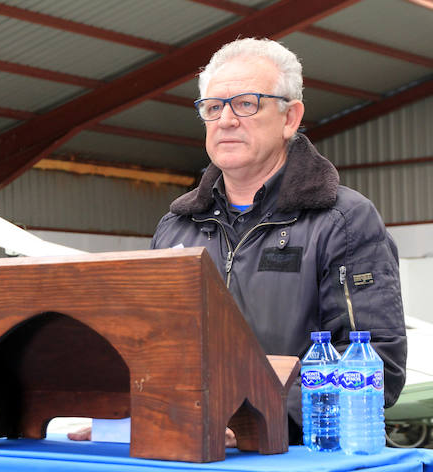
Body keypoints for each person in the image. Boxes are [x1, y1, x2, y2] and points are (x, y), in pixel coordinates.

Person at [151, 37, 407, 443]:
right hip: (189, 453)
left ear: (291, 118)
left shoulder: (343, 221)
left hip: (295, 460)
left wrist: (254, 420)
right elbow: (153, 349)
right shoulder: (176, 227)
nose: (226, 120)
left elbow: (375, 363)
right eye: (214, 107)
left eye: (247, 103)